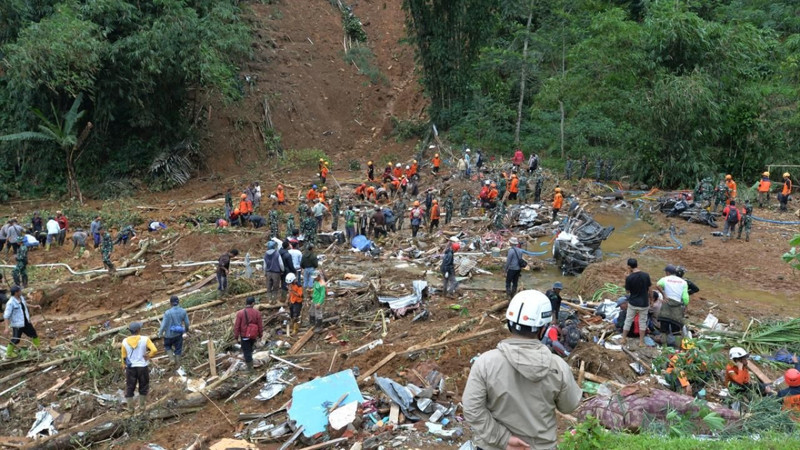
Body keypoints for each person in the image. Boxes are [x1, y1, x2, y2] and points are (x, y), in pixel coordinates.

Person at [463, 290, 581, 450]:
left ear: (510, 323)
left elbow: (472, 409)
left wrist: (503, 439)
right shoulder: (558, 367)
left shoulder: (485, 362)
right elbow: (569, 406)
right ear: (543, 328)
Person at [121, 321, 157, 413]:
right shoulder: (145, 339)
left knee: (130, 387)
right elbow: (154, 350)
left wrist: (124, 365)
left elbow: (123, 356)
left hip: (131, 368)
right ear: (138, 330)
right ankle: (141, 407)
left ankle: (130, 409)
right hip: (142, 367)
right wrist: (149, 355)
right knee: (143, 386)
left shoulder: (124, 341)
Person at [4, 285, 41, 358]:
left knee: (33, 334)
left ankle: (38, 348)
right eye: (19, 291)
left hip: (26, 321)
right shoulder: (10, 303)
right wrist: (6, 328)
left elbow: (25, 304)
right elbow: (6, 316)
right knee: (16, 339)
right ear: (16, 293)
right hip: (17, 324)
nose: (21, 291)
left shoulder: (21, 298)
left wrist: (34, 306)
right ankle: (8, 353)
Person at [656, 265, 688, 346]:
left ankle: (664, 348)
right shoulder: (683, 282)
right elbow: (685, 297)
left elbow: (657, 285)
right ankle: (677, 349)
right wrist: (686, 306)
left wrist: (664, 295)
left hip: (666, 306)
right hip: (676, 308)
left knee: (664, 330)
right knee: (676, 331)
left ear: (668, 272)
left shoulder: (665, 279)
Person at [621, 258, 651, 347]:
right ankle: (641, 342)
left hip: (633, 302)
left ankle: (623, 339)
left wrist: (625, 278)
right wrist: (652, 300)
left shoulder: (629, 277)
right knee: (642, 322)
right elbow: (650, 289)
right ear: (637, 265)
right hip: (644, 303)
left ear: (629, 267)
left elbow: (627, 292)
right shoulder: (646, 275)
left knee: (628, 320)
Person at [158, 296, 190, 366]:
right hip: (178, 334)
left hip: (168, 335)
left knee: (167, 346)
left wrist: (160, 333)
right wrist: (186, 329)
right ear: (178, 302)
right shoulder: (183, 311)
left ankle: (172, 359)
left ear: (170, 303)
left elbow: (163, 325)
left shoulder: (167, 313)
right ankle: (178, 364)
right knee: (178, 349)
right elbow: (187, 323)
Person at [234, 297, 263, 371]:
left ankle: (250, 369)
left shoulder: (240, 313)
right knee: (249, 350)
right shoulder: (257, 313)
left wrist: (236, 337)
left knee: (246, 352)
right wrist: (260, 335)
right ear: (252, 303)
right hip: (253, 335)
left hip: (244, 336)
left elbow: (237, 326)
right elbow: (260, 325)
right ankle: (250, 364)